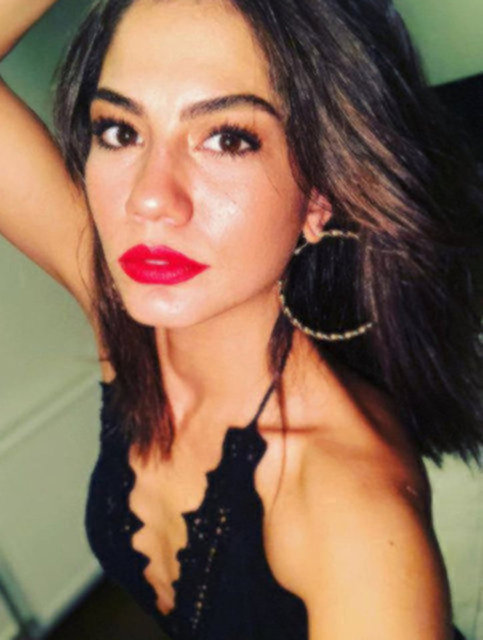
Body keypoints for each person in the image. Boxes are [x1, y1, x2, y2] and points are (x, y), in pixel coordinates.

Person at [1, 0, 482, 638]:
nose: (149, 198)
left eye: (227, 139)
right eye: (119, 130)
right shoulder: (124, 311)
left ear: (320, 196)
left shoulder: (350, 513)